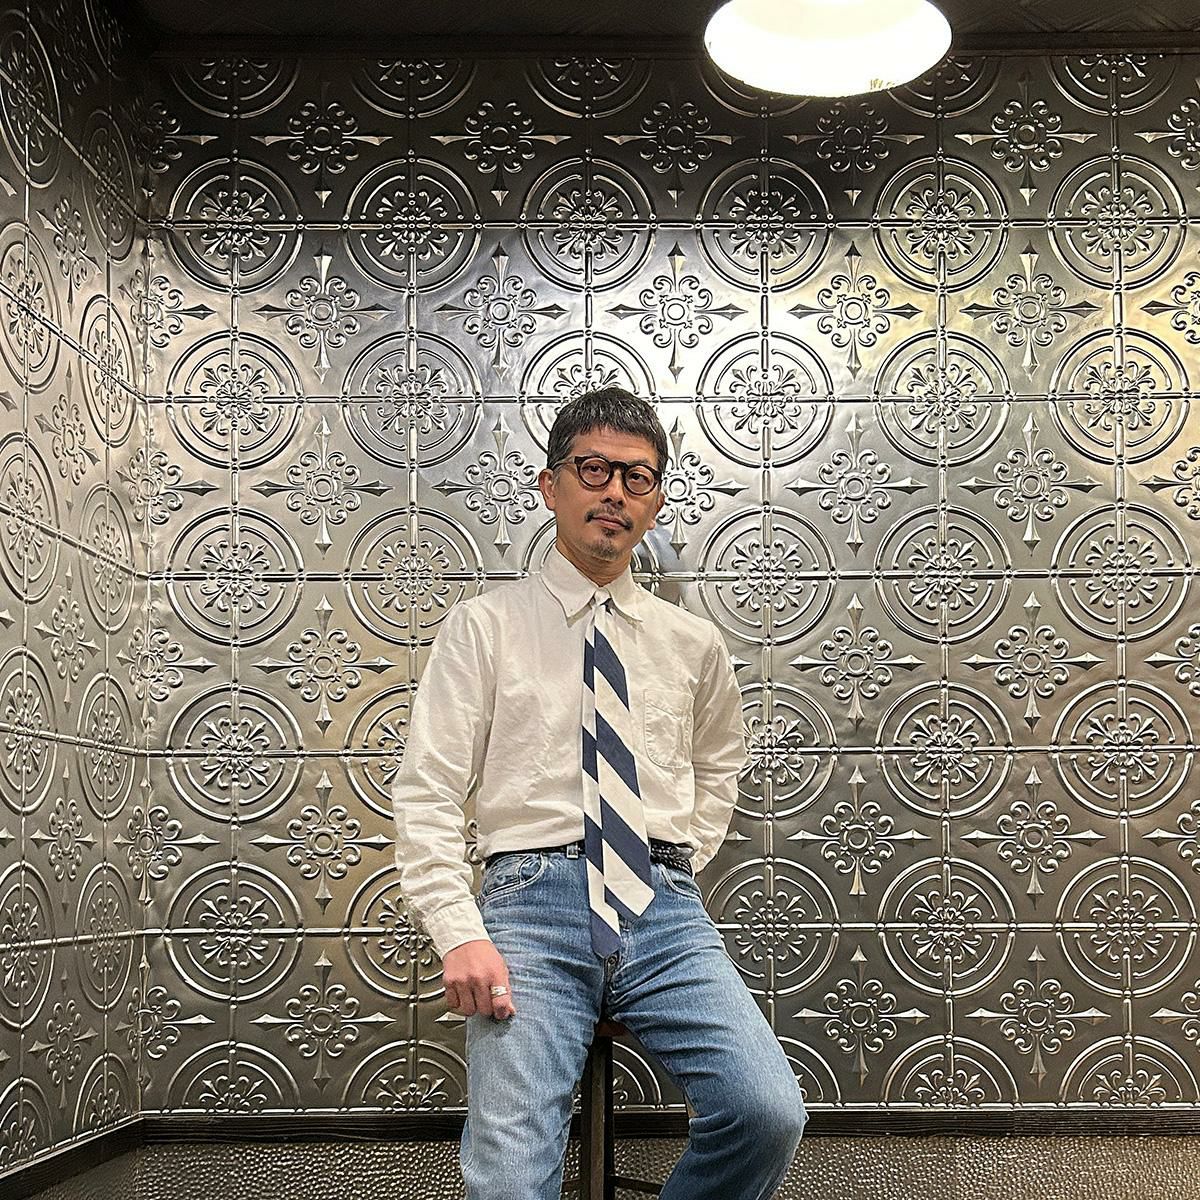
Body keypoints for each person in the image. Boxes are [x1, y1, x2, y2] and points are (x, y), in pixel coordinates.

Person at [391, 386, 807, 1200]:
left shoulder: (691, 643)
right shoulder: (485, 626)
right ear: (551, 486)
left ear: (655, 503)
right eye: (594, 470)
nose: (615, 491)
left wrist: (674, 860)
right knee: (510, 1181)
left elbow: (719, 765)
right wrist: (458, 932)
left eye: (637, 477)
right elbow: (429, 788)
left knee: (766, 1112)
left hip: (663, 910)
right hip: (528, 910)